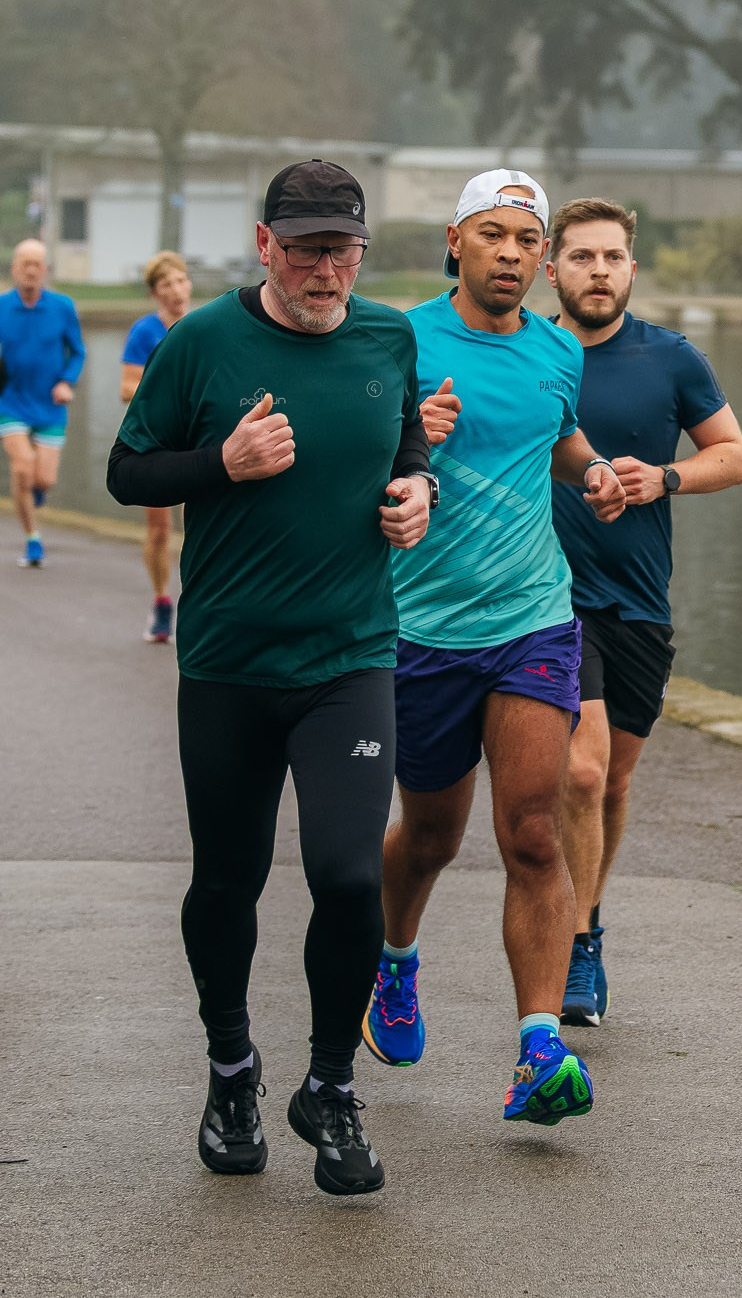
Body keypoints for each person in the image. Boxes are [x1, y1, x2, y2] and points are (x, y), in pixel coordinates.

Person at [106, 159, 436, 1196]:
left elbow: (410, 451)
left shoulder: (390, 337)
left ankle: (329, 1087)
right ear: (263, 246)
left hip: (350, 658)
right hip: (229, 664)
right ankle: (231, 1069)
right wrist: (222, 464)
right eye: (304, 249)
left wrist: (418, 494)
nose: (325, 270)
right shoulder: (200, 341)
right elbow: (127, 470)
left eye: (342, 249)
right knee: (229, 879)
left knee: (346, 873)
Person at [362, 169, 626, 1128]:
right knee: (430, 834)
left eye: (528, 238)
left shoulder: (559, 353)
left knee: (533, 831)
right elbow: (348, 453)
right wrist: (406, 441)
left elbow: (556, 434)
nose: (513, 253)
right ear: (456, 241)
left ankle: (538, 1045)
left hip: (534, 620)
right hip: (422, 629)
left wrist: (594, 469)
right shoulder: (398, 340)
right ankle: (394, 962)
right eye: (494, 234)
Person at [543, 197, 742, 1027]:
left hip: (638, 600)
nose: (598, 271)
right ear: (552, 267)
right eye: (582, 256)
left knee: (614, 778)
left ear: (632, 268)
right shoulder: (529, 353)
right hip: (547, 598)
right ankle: (576, 938)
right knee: (583, 771)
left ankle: (588, 921)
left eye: (612, 257)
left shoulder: (670, 359)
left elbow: (732, 456)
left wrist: (663, 477)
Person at [120, 251, 195, 641]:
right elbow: (127, 388)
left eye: (180, 280)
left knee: (204, 525)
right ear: (155, 292)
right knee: (160, 531)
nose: (176, 290)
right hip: (158, 440)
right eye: (167, 284)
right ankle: (162, 600)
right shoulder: (145, 331)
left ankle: (200, 604)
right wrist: (169, 395)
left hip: (199, 439)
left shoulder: (203, 326)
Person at [1, 238, 85, 567]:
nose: (31, 270)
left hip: (50, 403)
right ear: (14, 269)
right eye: (25, 263)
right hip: (10, 400)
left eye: (37, 264)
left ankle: (38, 488)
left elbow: (77, 351)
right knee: (21, 466)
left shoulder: (62, 307)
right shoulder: (2, 306)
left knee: (44, 479)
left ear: (46, 270)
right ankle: (32, 537)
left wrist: (66, 381)